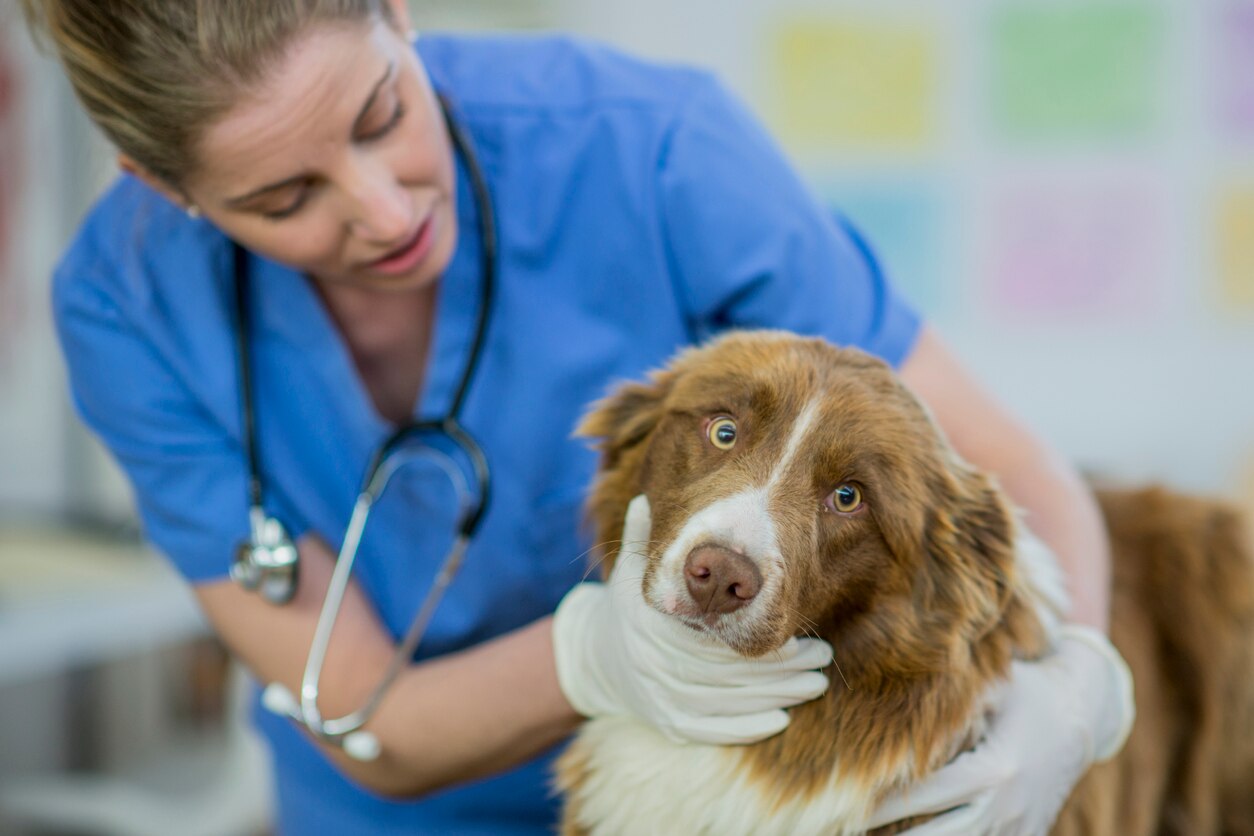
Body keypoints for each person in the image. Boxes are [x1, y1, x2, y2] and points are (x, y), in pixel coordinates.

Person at [18, 0, 1133, 833]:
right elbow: (359, 713)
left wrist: (1076, 677)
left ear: (398, 14)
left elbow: (1006, 467)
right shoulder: (124, 307)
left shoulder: (652, 150)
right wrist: (592, 656)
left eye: (380, 115)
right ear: (165, 189)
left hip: (714, 799)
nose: (382, 209)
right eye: (282, 198)